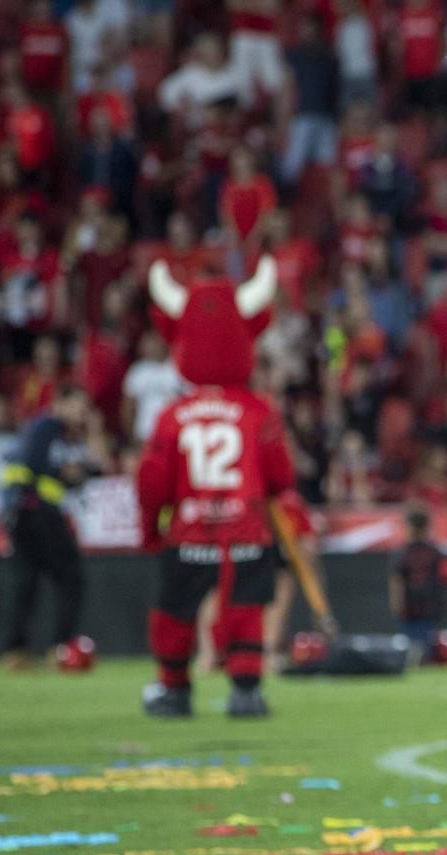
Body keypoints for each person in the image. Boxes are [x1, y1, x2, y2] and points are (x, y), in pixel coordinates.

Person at [136, 260, 294, 718]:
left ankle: (174, 691)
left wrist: (150, 530)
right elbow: (280, 475)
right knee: (246, 609)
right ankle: (246, 692)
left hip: (190, 531)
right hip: (245, 529)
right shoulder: (258, 410)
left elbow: (152, 481)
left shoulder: (171, 414)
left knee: (175, 613)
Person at [0, 384, 93, 671]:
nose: (81, 414)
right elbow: (39, 465)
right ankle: (61, 648)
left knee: (27, 582)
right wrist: (70, 473)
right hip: (38, 512)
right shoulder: (49, 428)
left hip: (21, 512)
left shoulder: (40, 429)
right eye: (78, 407)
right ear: (60, 404)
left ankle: (16, 651)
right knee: (70, 577)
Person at [389, 503, 447, 647]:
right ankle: (423, 657)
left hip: (412, 601)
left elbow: (396, 581)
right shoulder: (435, 550)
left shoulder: (403, 553)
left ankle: (416, 658)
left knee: (413, 639)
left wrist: (396, 603)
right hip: (430, 600)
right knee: (426, 638)